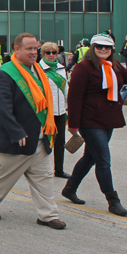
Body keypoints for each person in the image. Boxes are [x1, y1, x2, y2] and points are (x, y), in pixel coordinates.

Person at [0, 32, 66, 230]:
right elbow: (1, 108)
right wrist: (16, 131)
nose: (34, 52)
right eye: (29, 49)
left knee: (44, 179)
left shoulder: (39, 71)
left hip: (40, 139)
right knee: (0, 177)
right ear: (16, 49)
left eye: (36, 48)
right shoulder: (5, 73)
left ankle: (48, 215)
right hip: (15, 140)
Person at [62, 33, 127, 216]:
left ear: (112, 49)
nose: (103, 50)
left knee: (91, 156)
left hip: (108, 119)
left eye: (107, 47)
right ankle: (113, 200)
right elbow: (74, 97)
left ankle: (69, 188)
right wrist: (73, 123)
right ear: (93, 48)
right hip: (89, 120)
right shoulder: (83, 68)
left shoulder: (115, 65)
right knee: (103, 159)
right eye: (99, 47)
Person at [39, 42, 70, 178]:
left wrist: (68, 103)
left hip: (60, 111)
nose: (51, 55)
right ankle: (40, 169)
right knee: (43, 142)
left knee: (60, 141)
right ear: (43, 54)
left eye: (54, 52)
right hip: (46, 112)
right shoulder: (38, 69)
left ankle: (59, 170)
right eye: (48, 52)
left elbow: (66, 88)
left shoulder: (62, 68)